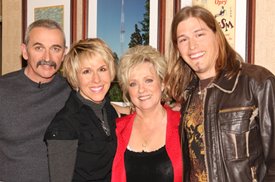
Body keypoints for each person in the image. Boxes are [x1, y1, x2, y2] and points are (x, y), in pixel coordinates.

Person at [164, 5, 275, 182]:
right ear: (178, 48)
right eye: (183, 40)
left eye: (199, 34)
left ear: (217, 36)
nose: (192, 46)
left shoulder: (257, 82)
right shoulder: (188, 95)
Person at [44, 38, 129, 181]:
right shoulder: (64, 125)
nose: (96, 79)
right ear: (75, 76)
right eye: (86, 71)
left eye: (102, 69)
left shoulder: (108, 109)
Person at [0, 19, 71, 181]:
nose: (47, 57)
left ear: (64, 53)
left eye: (55, 48)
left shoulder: (72, 90)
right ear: (25, 51)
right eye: (39, 48)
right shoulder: (2, 89)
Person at [112, 45, 183, 182]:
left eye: (148, 80)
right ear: (127, 90)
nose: (141, 90)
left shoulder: (183, 125)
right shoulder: (118, 128)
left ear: (162, 84)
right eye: (133, 84)